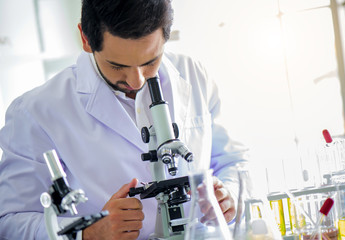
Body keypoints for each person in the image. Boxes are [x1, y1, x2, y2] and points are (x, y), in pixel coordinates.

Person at [0, 0, 249, 239]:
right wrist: (87, 233)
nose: (136, 80)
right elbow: (9, 222)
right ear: (86, 39)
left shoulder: (194, 75)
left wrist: (230, 196)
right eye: (117, 66)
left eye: (150, 61)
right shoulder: (36, 111)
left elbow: (233, 162)